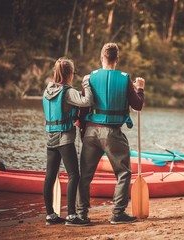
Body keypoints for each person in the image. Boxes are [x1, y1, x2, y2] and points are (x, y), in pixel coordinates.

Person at [77, 43, 145, 224]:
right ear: (117, 59)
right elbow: (138, 105)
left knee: (85, 175)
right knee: (123, 173)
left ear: (101, 58)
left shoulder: (89, 78)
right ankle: (117, 213)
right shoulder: (125, 79)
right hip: (112, 133)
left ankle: (82, 214)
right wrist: (140, 88)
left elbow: (83, 108)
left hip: (91, 132)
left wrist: (83, 132)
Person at [42, 57, 93, 226]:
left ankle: (50, 215)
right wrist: (86, 84)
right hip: (65, 139)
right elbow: (87, 101)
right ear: (70, 74)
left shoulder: (48, 89)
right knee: (74, 174)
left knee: (50, 176)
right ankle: (72, 216)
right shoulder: (68, 92)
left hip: (51, 138)